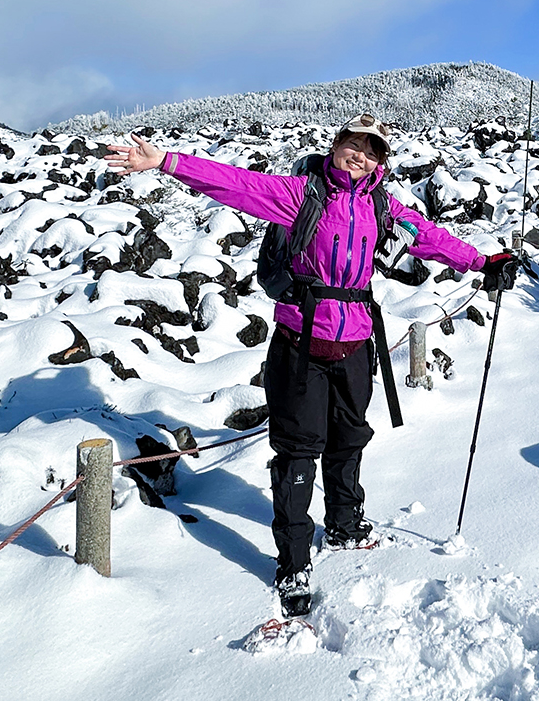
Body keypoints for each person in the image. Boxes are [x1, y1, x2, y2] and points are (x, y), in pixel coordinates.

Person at [108, 112, 517, 616]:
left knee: (349, 438)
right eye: (353, 144)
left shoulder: (383, 206)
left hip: (356, 344)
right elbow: (235, 184)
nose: (360, 154)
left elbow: (430, 237)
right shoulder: (302, 195)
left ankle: (345, 524)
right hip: (300, 344)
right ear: (337, 144)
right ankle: (294, 560)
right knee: (297, 453)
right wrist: (166, 161)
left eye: (372, 150)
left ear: (380, 162)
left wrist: (483, 261)